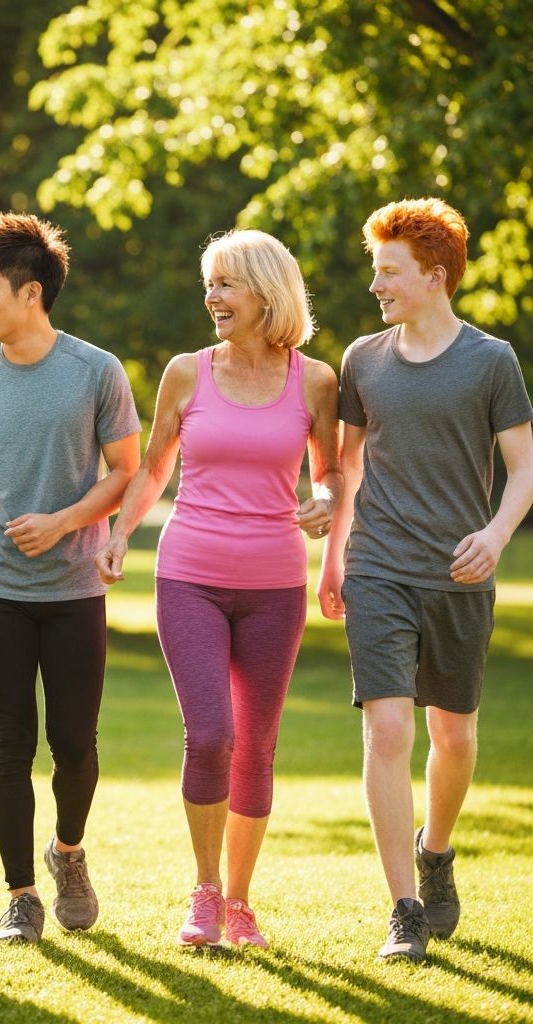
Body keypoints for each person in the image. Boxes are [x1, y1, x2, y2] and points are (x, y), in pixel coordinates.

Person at [94, 229, 340, 950]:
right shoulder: (186, 372)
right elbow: (154, 469)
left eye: (226, 283)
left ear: (267, 292)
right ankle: (204, 892)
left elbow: (328, 469)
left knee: (255, 746)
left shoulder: (316, 381)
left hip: (274, 583)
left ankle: (240, 902)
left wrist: (325, 500)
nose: (212, 297)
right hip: (190, 576)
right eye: (210, 283)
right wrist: (118, 532)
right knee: (210, 736)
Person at [317, 198, 533, 962]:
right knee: (387, 728)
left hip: (459, 574)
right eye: (375, 270)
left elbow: (524, 467)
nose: (375, 285)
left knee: (456, 735)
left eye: (389, 272)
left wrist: (495, 535)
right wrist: (332, 553)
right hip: (378, 567)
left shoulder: (491, 361)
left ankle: (435, 848)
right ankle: (404, 907)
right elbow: (344, 467)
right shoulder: (362, 359)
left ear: (435, 276)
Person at [0, 212, 141, 944]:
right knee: (8, 745)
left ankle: (68, 851)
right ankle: (20, 894)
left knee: (76, 743)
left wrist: (62, 523)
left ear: (30, 293)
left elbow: (125, 472)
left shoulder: (96, 371)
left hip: (73, 588)